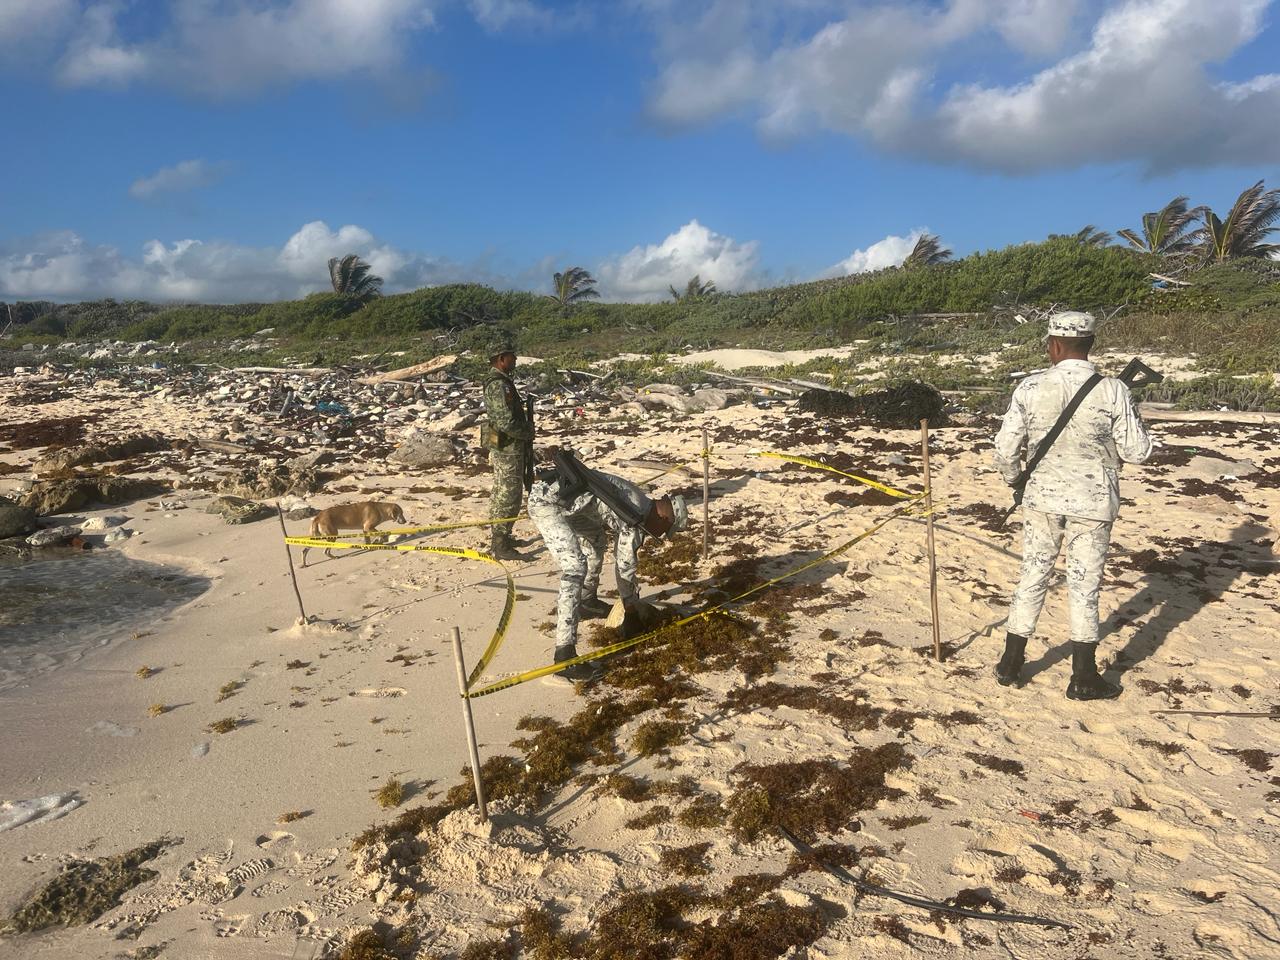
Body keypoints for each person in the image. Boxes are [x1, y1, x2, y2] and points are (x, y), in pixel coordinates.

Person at [993, 311, 1152, 700]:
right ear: (1091, 344)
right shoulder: (1114, 389)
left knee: (1033, 574)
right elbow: (1139, 451)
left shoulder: (1030, 387)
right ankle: (1083, 676)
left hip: (1042, 498)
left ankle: (1011, 663)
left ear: (1055, 345)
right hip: (1094, 501)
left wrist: (1015, 479)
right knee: (1085, 586)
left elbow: (1005, 448)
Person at [527, 450, 688, 683]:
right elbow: (624, 567)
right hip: (547, 503)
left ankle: (586, 602)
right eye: (664, 531)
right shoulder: (636, 517)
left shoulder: (640, 501)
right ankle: (564, 655)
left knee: (595, 543)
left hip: (571, 504)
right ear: (665, 517)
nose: (660, 535)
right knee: (575, 568)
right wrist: (631, 612)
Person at [481, 339, 533, 561]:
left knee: (506, 490)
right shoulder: (499, 385)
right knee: (507, 493)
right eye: (512, 356)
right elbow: (506, 422)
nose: (516, 359)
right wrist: (527, 433)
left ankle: (503, 535)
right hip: (508, 445)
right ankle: (500, 543)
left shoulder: (502, 382)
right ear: (501, 359)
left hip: (505, 444)